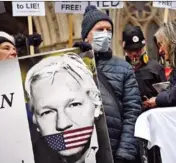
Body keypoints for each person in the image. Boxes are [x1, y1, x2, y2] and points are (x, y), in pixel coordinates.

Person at [74, 5, 142, 163]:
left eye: (108, 30)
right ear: (86, 36)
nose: (105, 34)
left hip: (115, 153)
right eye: (99, 30)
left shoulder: (124, 68)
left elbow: (132, 113)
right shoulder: (72, 65)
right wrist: (79, 58)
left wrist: (124, 155)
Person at [24, 53, 110, 163]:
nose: (62, 124)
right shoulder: (31, 157)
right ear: (35, 120)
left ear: (96, 105)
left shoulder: (117, 146)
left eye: (74, 105)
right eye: (47, 112)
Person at [122, 24, 166, 101]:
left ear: (143, 47)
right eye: (130, 50)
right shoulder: (121, 70)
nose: (134, 54)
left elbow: (165, 94)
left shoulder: (156, 68)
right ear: (125, 50)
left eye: (138, 50)